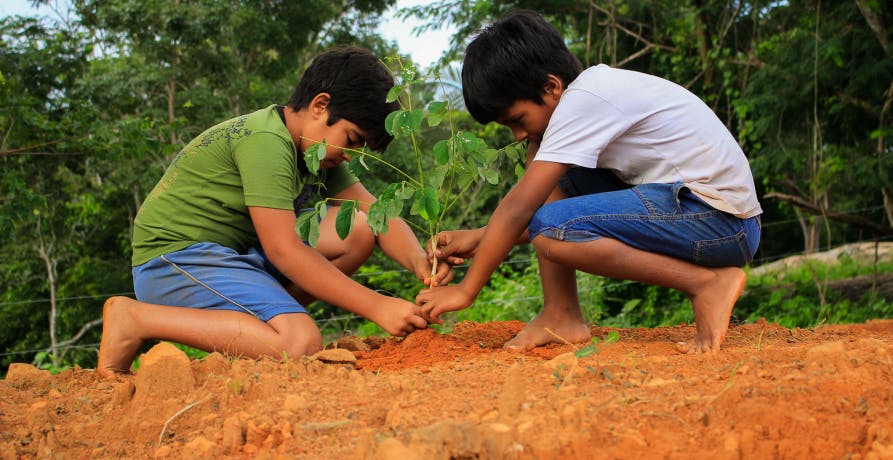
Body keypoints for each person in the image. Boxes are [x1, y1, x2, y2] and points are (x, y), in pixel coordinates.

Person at [415, 10, 762, 354]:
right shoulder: (584, 97)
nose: (517, 134)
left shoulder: (586, 101)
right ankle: (561, 313)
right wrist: (479, 239)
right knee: (542, 164)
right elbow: (532, 207)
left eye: (517, 119)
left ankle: (708, 284)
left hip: (721, 222)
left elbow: (521, 208)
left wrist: (466, 290)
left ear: (552, 86)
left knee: (550, 226)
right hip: (695, 211)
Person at [98, 46, 450, 378]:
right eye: (352, 138)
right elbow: (283, 249)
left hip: (232, 259)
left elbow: (376, 215)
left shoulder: (317, 151)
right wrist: (377, 306)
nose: (352, 155)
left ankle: (262, 330)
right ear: (320, 106)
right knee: (300, 344)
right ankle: (135, 319)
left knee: (356, 230)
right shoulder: (266, 140)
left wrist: (419, 259)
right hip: (175, 261)